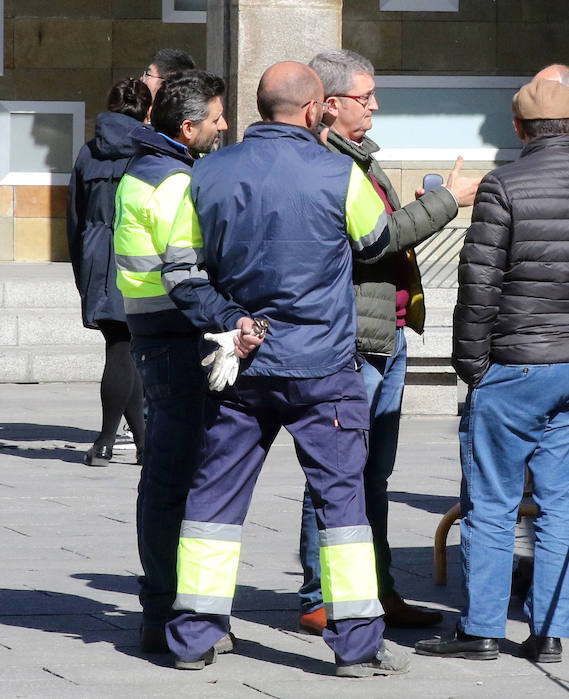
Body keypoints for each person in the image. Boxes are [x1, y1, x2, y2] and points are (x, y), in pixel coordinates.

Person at [160, 61, 409, 678]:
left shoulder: (207, 172)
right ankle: (356, 645)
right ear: (312, 109)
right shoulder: (339, 172)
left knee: (213, 501)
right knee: (343, 504)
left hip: (240, 366)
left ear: (259, 105)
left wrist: (231, 316)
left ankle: (194, 635)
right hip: (323, 368)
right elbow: (376, 243)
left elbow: (181, 273)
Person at [413, 79, 569, 663]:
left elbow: (479, 286)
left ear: (519, 130)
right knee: (562, 504)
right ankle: (549, 633)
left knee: (492, 502)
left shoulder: (504, 186)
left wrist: (471, 366)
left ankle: (483, 630)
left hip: (516, 366)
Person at [295, 48, 481, 634]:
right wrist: (447, 200)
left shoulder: (360, 160)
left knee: (372, 473)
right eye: (365, 96)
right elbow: (376, 242)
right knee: (337, 469)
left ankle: (374, 590)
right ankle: (320, 594)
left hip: (386, 334)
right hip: (353, 340)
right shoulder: (331, 164)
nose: (375, 104)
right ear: (328, 105)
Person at [113, 70, 230, 654]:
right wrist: (232, 318)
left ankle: (162, 606)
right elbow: (188, 277)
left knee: (165, 473)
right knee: (177, 478)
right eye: (216, 118)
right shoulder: (176, 183)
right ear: (187, 127)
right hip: (178, 336)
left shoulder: (142, 168)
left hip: (151, 332)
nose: (224, 125)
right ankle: (167, 610)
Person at [67, 78, 150, 467]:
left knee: (121, 346)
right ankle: (104, 440)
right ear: (147, 111)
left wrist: (83, 267)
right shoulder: (152, 151)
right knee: (124, 348)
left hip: (99, 256)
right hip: (138, 254)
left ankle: (142, 442)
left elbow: (75, 217)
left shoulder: (88, 152)